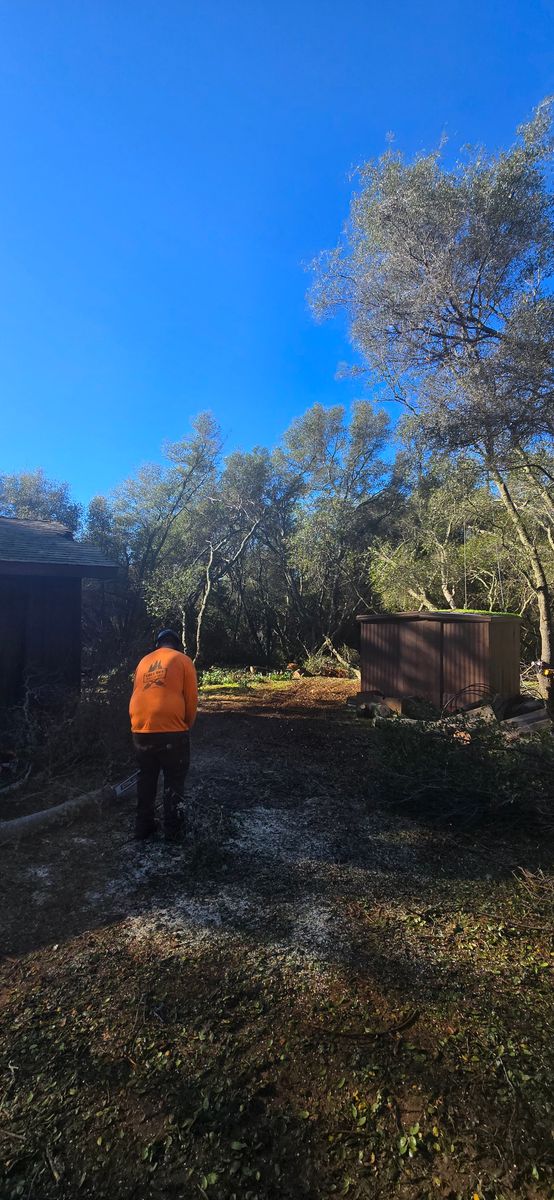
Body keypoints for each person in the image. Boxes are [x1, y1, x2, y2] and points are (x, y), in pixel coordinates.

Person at [129, 629, 198, 840]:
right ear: (176, 645)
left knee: (146, 778)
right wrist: (185, 725)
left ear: (157, 644)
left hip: (140, 729)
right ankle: (173, 831)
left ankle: (143, 827)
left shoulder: (143, 662)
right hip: (172, 731)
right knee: (174, 780)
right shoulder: (183, 660)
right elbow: (192, 698)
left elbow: (137, 692)